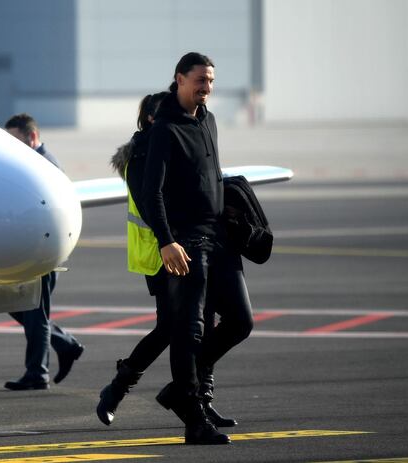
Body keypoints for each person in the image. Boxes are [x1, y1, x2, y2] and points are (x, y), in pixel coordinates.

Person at [96, 93, 236, 429]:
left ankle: (201, 399)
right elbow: (150, 206)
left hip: (191, 248)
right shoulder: (141, 156)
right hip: (161, 255)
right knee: (169, 329)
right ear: (149, 120)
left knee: (203, 324)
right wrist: (175, 239)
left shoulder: (178, 143)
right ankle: (117, 388)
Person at [142, 53, 254, 445]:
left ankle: (180, 390)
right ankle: (194, 421)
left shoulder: (208, 120)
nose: (206, 88)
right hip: (186, 244)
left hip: (219, 239)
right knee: (188, 332)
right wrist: (166, 241)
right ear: (179, 80)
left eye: (210, 81)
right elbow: (150, 193)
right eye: (200, 81)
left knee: (241, 321)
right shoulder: (165, 128)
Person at [2, 113, 85, 390]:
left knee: (34, 312)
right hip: (31, 253)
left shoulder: (44, 166)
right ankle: (65, 344)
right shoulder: (32, 162)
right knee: (14, 303)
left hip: (43, 254)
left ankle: (37, 372)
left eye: (14, 141)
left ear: (32, 137)